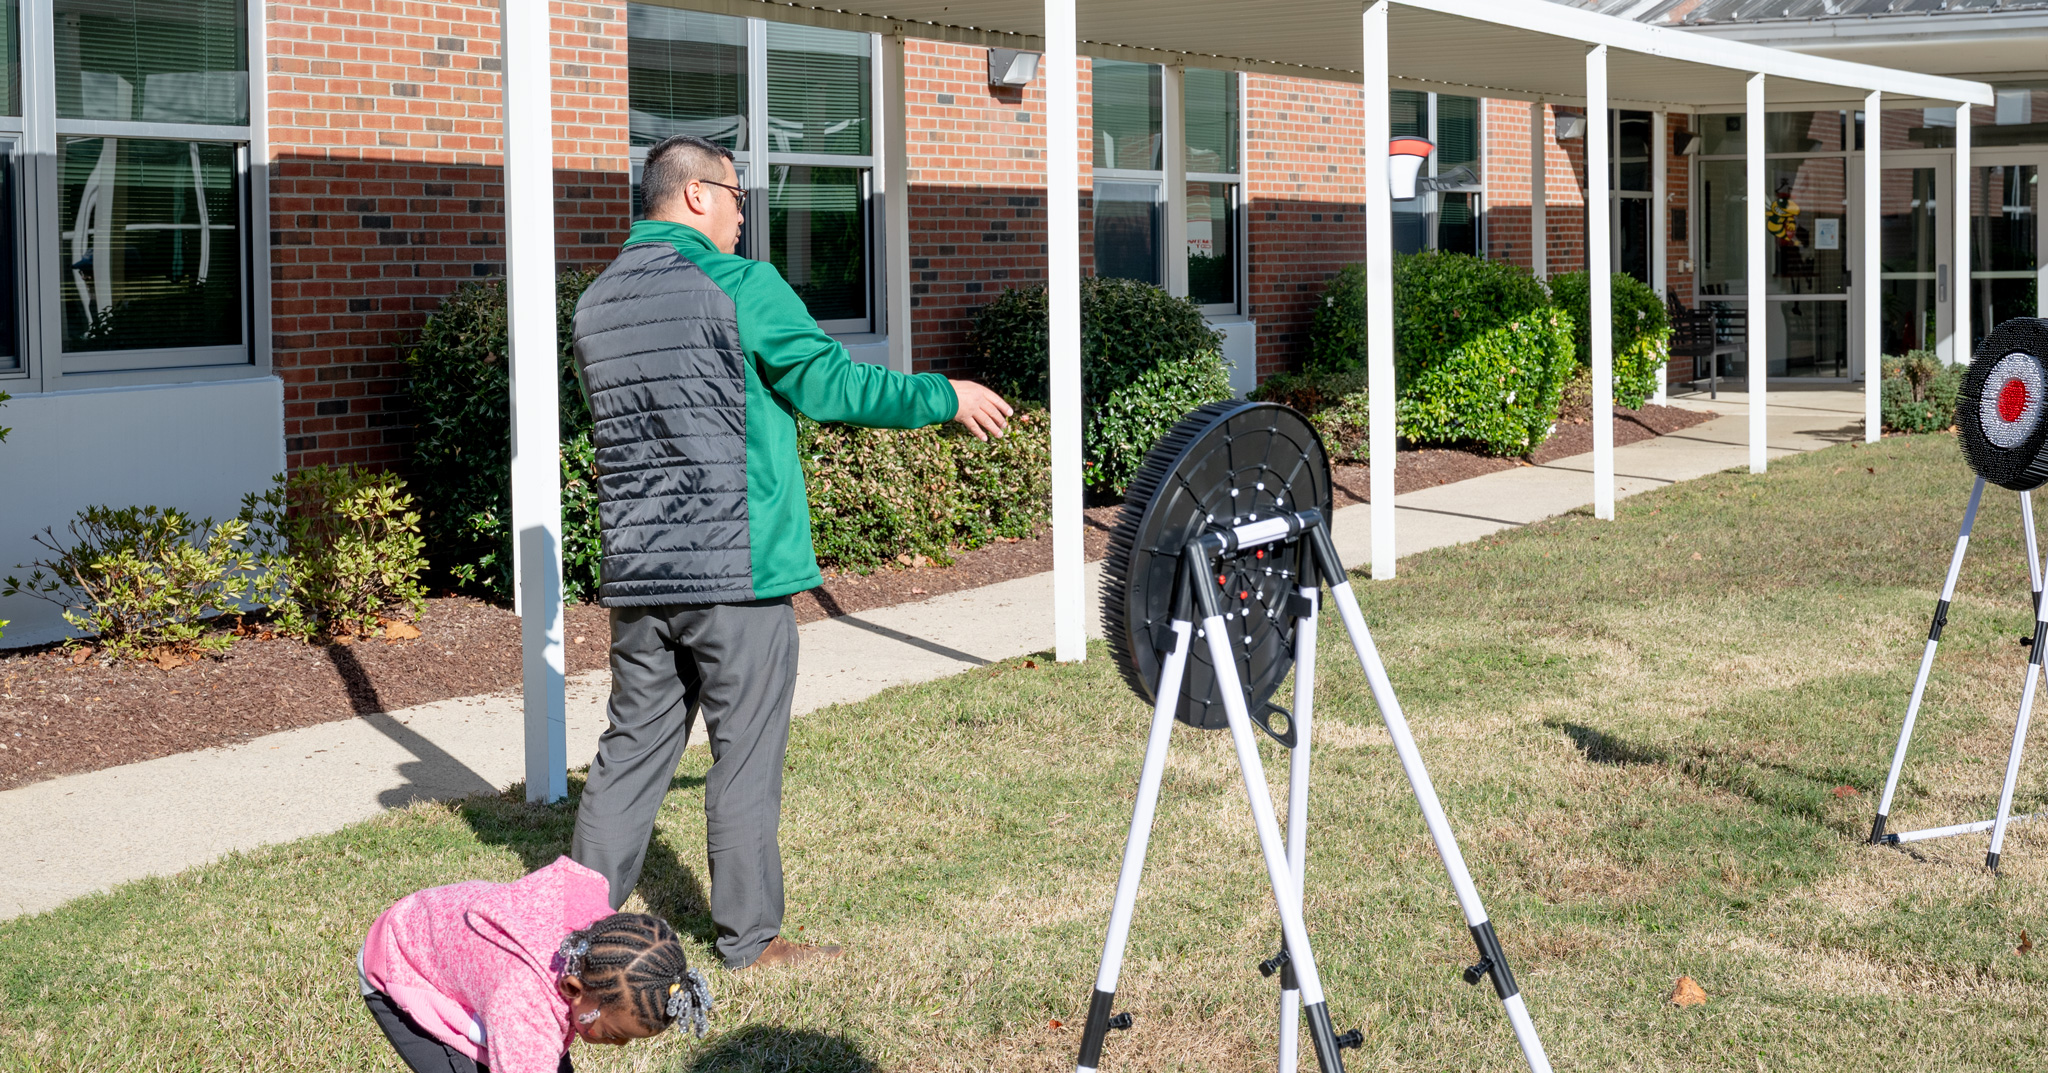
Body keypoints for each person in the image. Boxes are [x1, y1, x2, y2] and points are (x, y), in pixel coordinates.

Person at [568, 133, 1013, 971]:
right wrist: (942, 394)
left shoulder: (597, 303)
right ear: (697, 195)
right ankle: (750, 940)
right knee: (745, 755)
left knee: (628, 752)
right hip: (736, 569)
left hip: (640, 571)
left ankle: (567, 928)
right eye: (739, 196)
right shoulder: (739, 284)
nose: (745, 215)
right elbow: (832, 384)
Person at [357, 855, 713, 1073]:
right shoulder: (525, 1003)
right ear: (574, 988)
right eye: (616, 1034)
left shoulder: (604, 951)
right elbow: (528, 1034)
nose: (618, 1047)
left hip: (460, 949)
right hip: (401, 961)